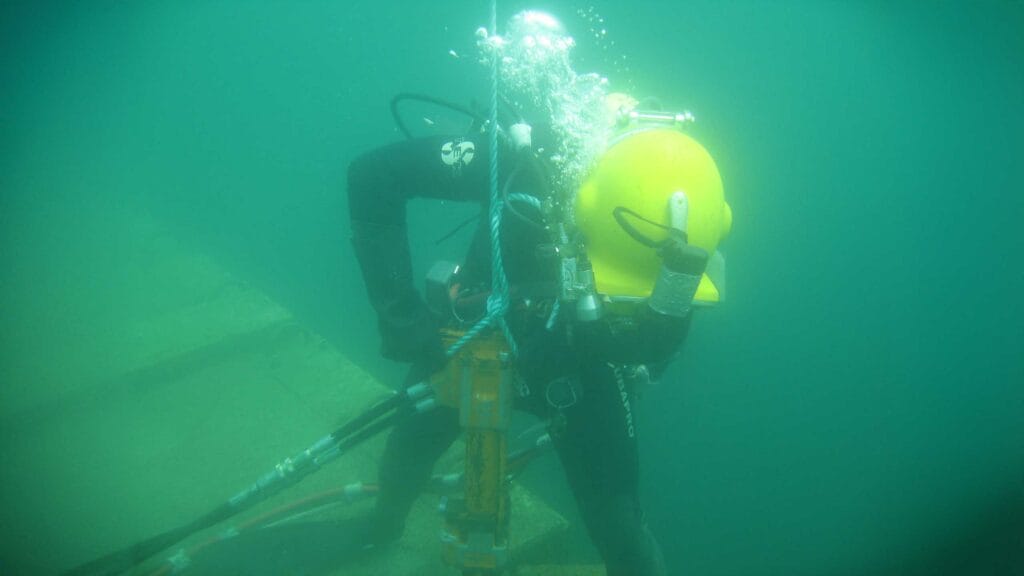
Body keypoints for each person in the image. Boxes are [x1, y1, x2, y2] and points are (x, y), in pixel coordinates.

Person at [346, 13, 731, 576]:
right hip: (478, 329)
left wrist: (645, 330)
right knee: (408, 454)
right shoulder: (526, 162)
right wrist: (404, 323)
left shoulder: (682, 209)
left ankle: (383, 523)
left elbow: (656, 342)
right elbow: (373, 176)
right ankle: (382, 527)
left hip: (583, 364)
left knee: (622, 533)